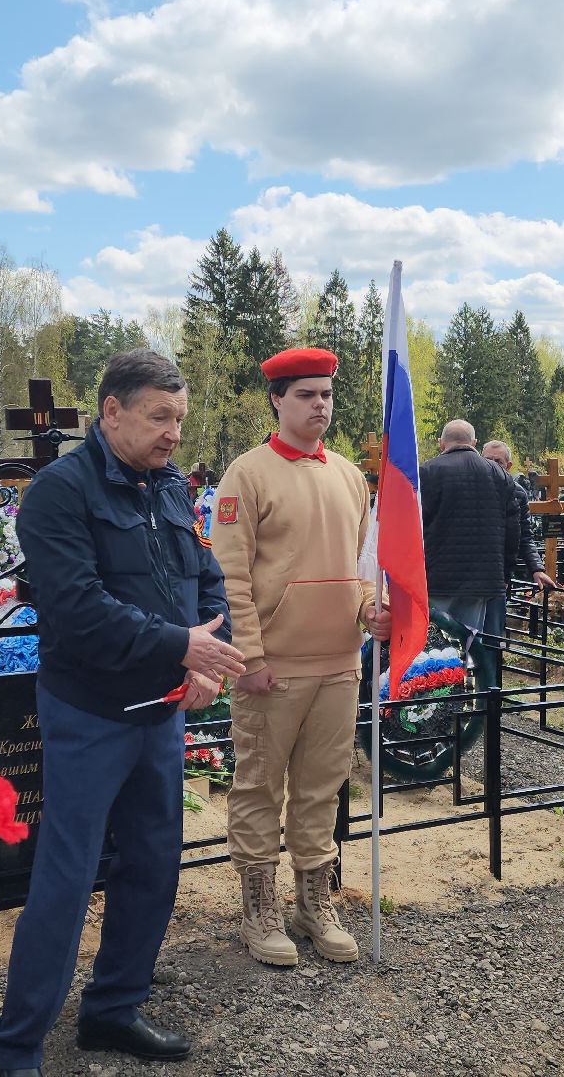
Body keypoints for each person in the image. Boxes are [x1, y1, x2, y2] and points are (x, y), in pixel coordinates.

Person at [0, 350, 245, 1077]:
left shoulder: (167, 488)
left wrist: (203, 650)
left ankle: (112, 1008)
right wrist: (180, 647)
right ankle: (15, 1043)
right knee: (65, 880)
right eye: (160, 417)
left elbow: (208, 580)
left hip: (160, 713)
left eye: (180, 420)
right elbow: (78, 608)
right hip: (90, 713)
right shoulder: (59, 494)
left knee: (155, 865)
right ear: (112, 412)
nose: (173, 435)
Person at [212, 348, 389, 968]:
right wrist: (250, 655)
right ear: (277, 401)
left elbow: (362, 566)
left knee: (323, 787)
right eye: (307, 395)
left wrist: (370, 610)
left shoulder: (347, 476)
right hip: (273, 668)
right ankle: (259, 910)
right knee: (260, 785)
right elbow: (232, 574)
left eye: (327, 395)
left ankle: (315, 902)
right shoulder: (248, 474)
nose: (320, 405)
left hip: (340, 661)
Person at [419, 419, 517, 641]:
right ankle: (469, 675)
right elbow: (512, 530)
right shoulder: (499, 475)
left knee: (436, 645)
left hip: (436, 577)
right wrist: (505, 572)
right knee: (471, 645)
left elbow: (415, 527)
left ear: (441, 443)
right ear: (474, 442)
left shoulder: (426, 472)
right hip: (481, 578)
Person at [481, 440, 560, 594]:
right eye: (487, 460)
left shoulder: (517, 493)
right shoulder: (471, 489)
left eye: (498, 461)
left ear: (508, 466)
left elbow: (524, 535)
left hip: (500, 577)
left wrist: (536, 568)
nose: (492, 465)